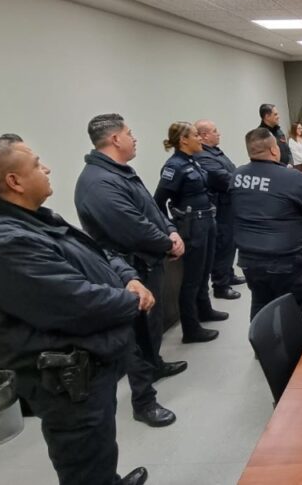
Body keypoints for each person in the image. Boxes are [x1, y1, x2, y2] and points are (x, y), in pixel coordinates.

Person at [0, 134, 149, 485]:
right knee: (84, 465)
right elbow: (78, 304)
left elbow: (95, 253)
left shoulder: (32, 218)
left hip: (89, 367)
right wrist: (133, 300)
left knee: (99, 450)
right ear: (14, 181)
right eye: (36, 164)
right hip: (67, 382)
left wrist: (128, 278)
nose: (46, 169)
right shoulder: (2, 242)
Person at [75, 114, 185, 428]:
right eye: (129, 132)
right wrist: (167, 243)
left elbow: (151, 208)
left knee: (151, 328)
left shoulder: (120, 171)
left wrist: (170, 230)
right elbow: (132, 228)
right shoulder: (98, 183)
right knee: (136, 337)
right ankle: (144, 402)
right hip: (128, 271)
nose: (134, 138)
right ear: (115, 139)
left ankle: (156, 365)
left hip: (147, 262)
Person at [230, 127, 302, 321]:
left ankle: (260, 340)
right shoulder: (292, 178)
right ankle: (288, 342)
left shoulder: (237, 176)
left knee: (260, 304)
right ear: (273, 150)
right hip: (285, 261)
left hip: (249, 260)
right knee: (290, 313)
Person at [154, 122, 229, 344]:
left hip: (207, 221)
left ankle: (204, 310)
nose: (200, 138)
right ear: (183, 140)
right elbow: (158, 201)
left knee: (204, 272)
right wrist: (171, 228)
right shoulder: (174, 167)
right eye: (196, 135)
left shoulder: (192, 161)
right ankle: (191, 329)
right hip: (192, 226)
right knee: (192, 279)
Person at [193, 119, 245, 301]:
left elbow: (233, 170)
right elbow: (223, 178)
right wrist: (239, 180)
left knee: (231, 242)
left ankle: (229, 274)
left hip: (229, 204)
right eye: (215, 131)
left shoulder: (215, 152)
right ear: (204, 135)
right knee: (223, 244)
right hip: (220, 206)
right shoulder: (202, 156)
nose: (219, 133)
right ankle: (221, 285)